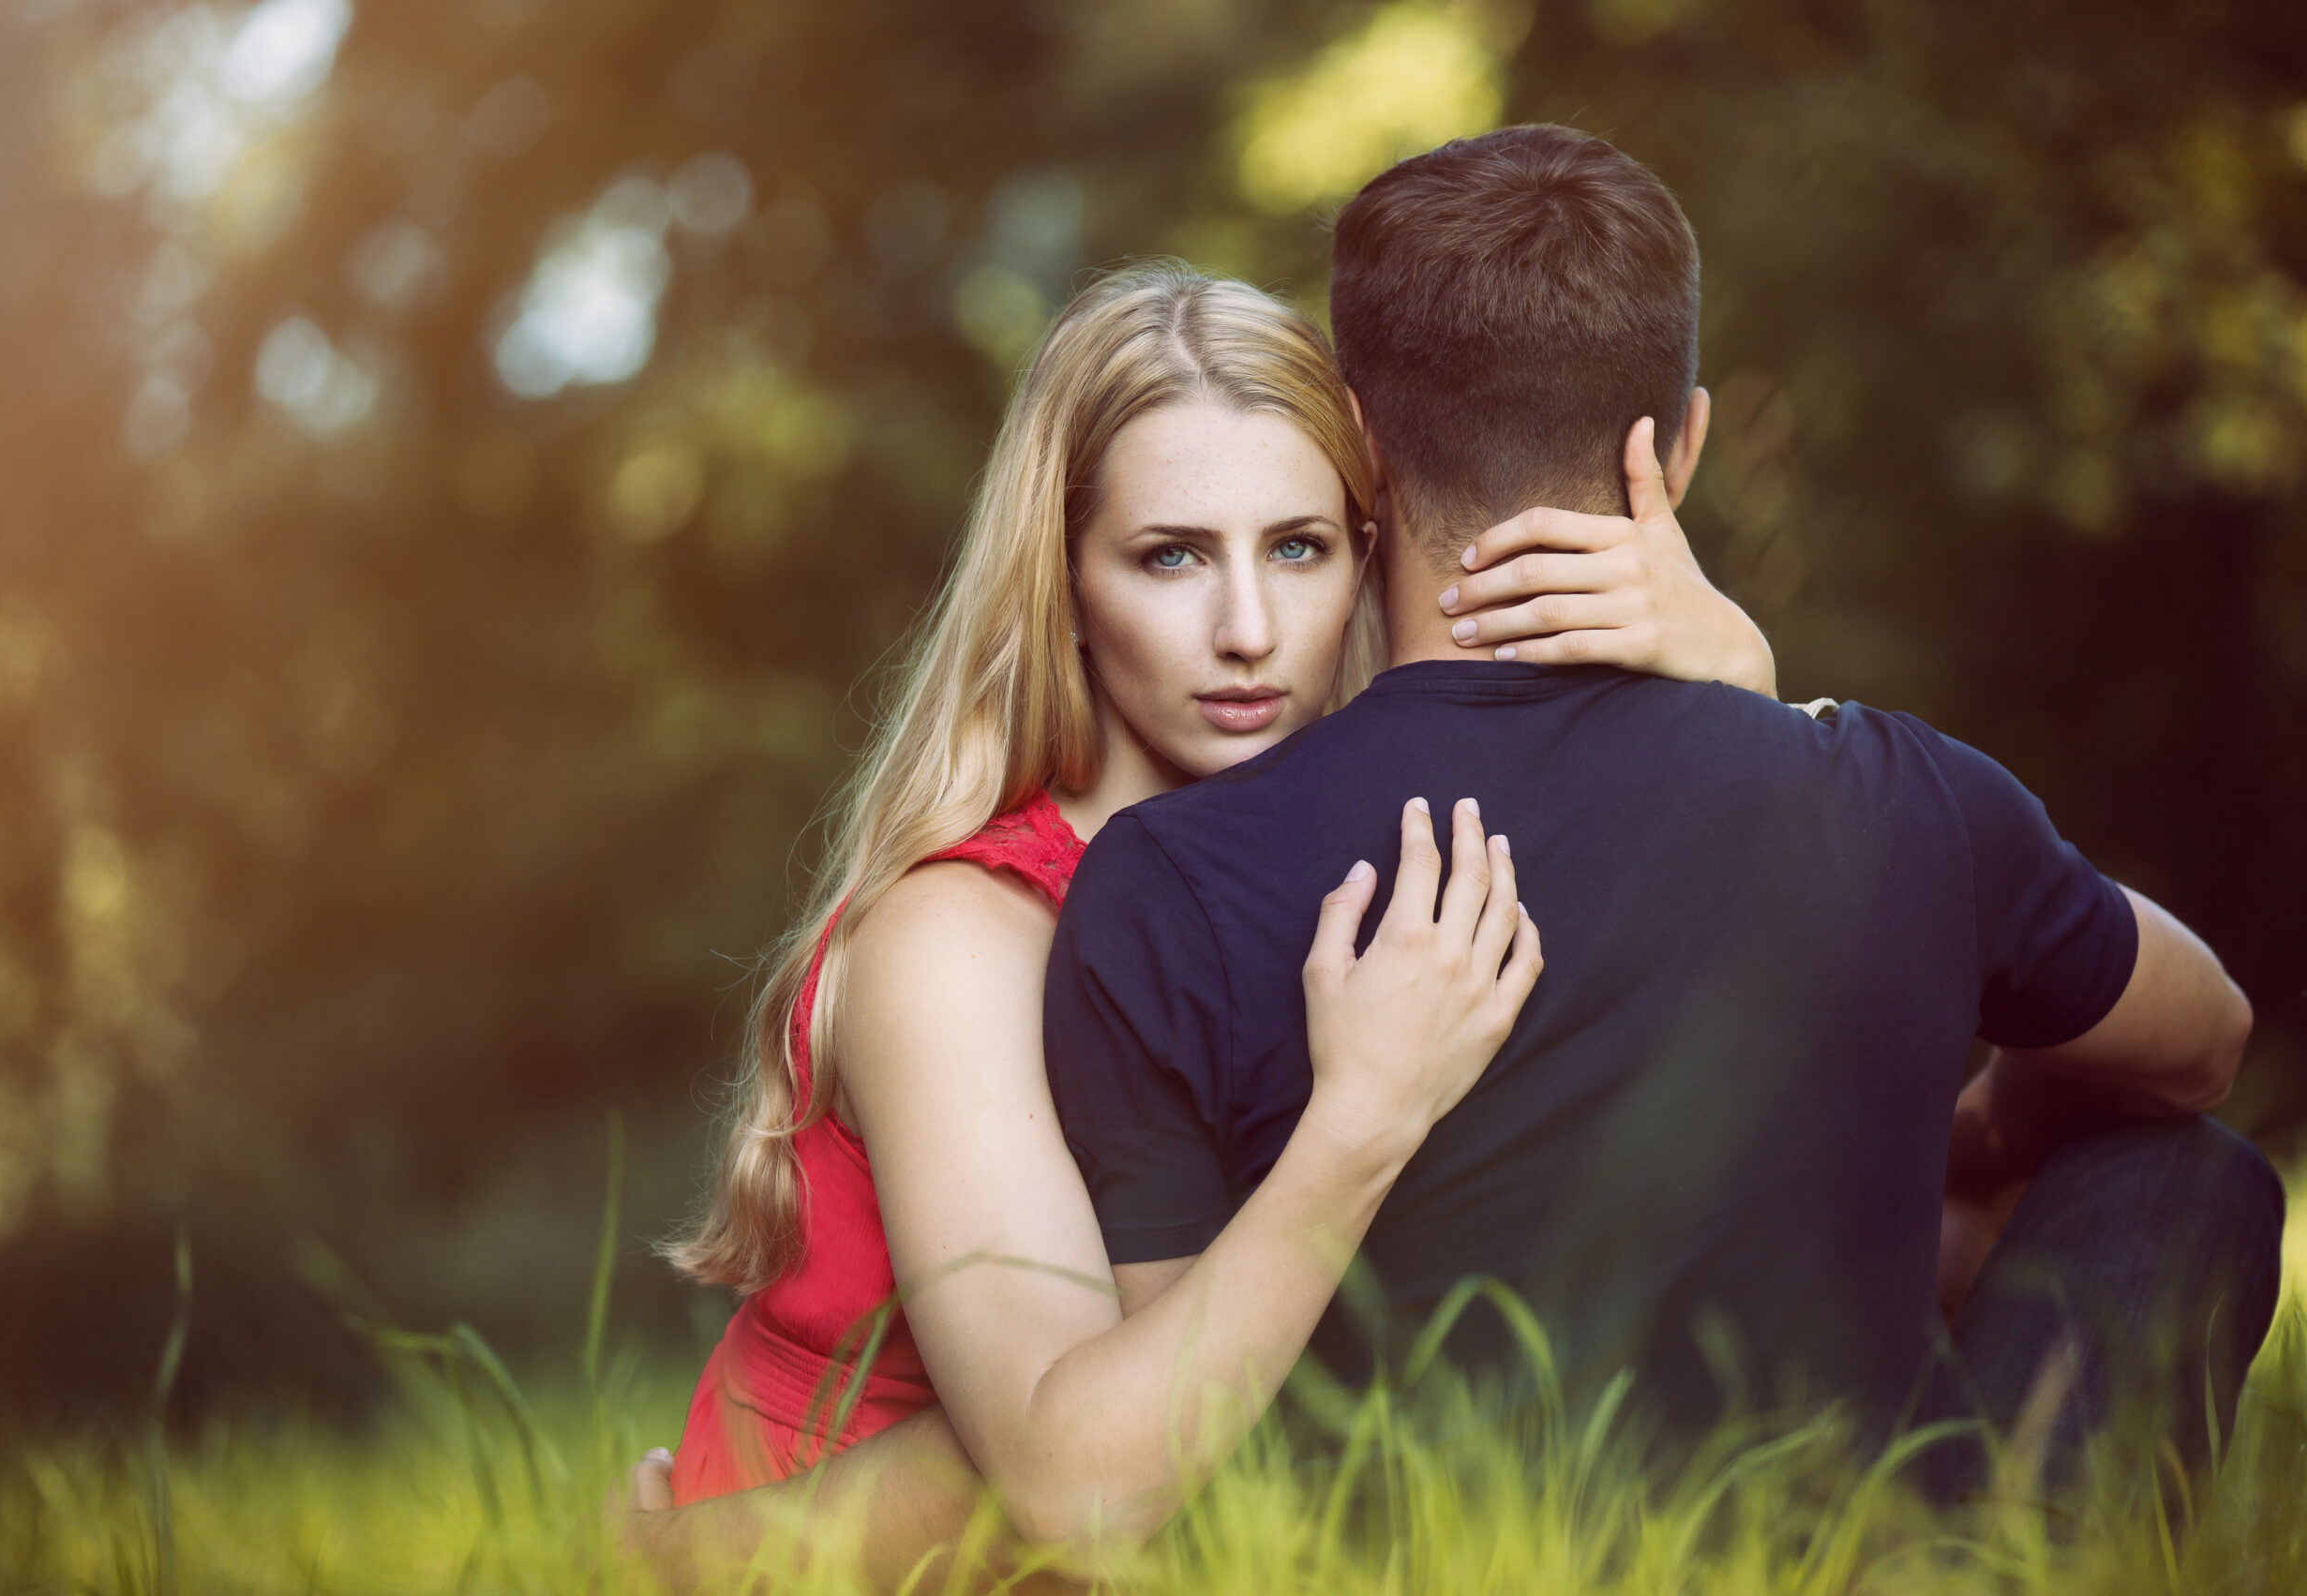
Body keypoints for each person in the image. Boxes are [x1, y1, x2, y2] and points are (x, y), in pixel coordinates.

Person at [1042, 125, 2284, 1509]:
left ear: (1360, 447)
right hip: (1876, 1554)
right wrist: (1992, 1121)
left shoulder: (1160, 880)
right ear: (1679, 447)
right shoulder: (1898, 798)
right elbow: (2204, 1038)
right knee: (2183, 1172)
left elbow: (1170, 1468)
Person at [624, 261, 1783, 1583]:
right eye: (1170, 556)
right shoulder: (959, 941)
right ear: (1063, 580)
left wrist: (1735, 700)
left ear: (1368, 550)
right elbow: (1064, 1488)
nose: (1246, 631)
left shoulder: (1374, 859)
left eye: (1297, 547)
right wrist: (684, 1567)